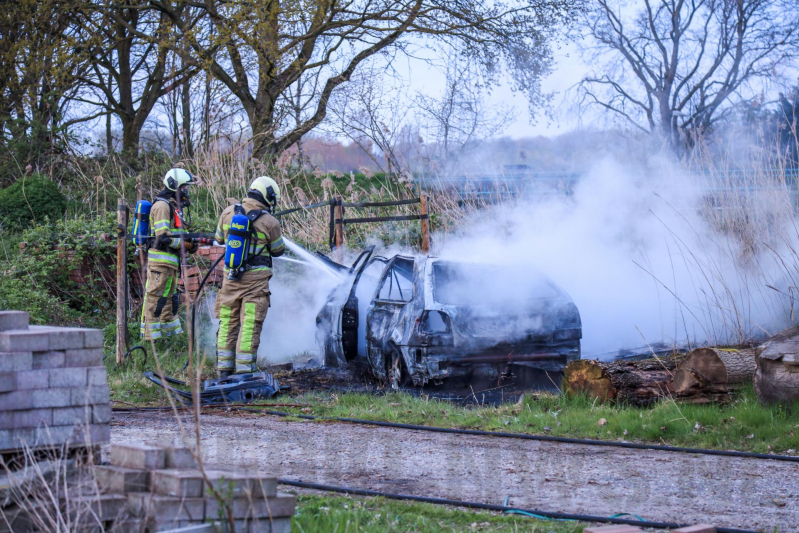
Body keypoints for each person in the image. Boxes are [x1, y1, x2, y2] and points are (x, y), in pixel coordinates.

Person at [214, 176, 285, 377]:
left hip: (230, 279)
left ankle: (224, 370)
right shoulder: (270, 222)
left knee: (227, 322)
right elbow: (278, 250)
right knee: (249, 325)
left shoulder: (228, 212)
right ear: (268, 196)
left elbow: (218, 238)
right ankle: (245, 372)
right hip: (255, 284)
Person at [140, 168, 197, 340]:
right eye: (183, 188)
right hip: (160, 262)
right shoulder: (162, 206)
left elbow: (176, 233)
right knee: (154, 297)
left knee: (168, 299)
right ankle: (150, 338)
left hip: (170, 263)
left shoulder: (173, 207)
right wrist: (183, 244)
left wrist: (190, 242)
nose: (185, 191)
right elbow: (163, 236)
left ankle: (171, 337)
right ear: (174, 185)